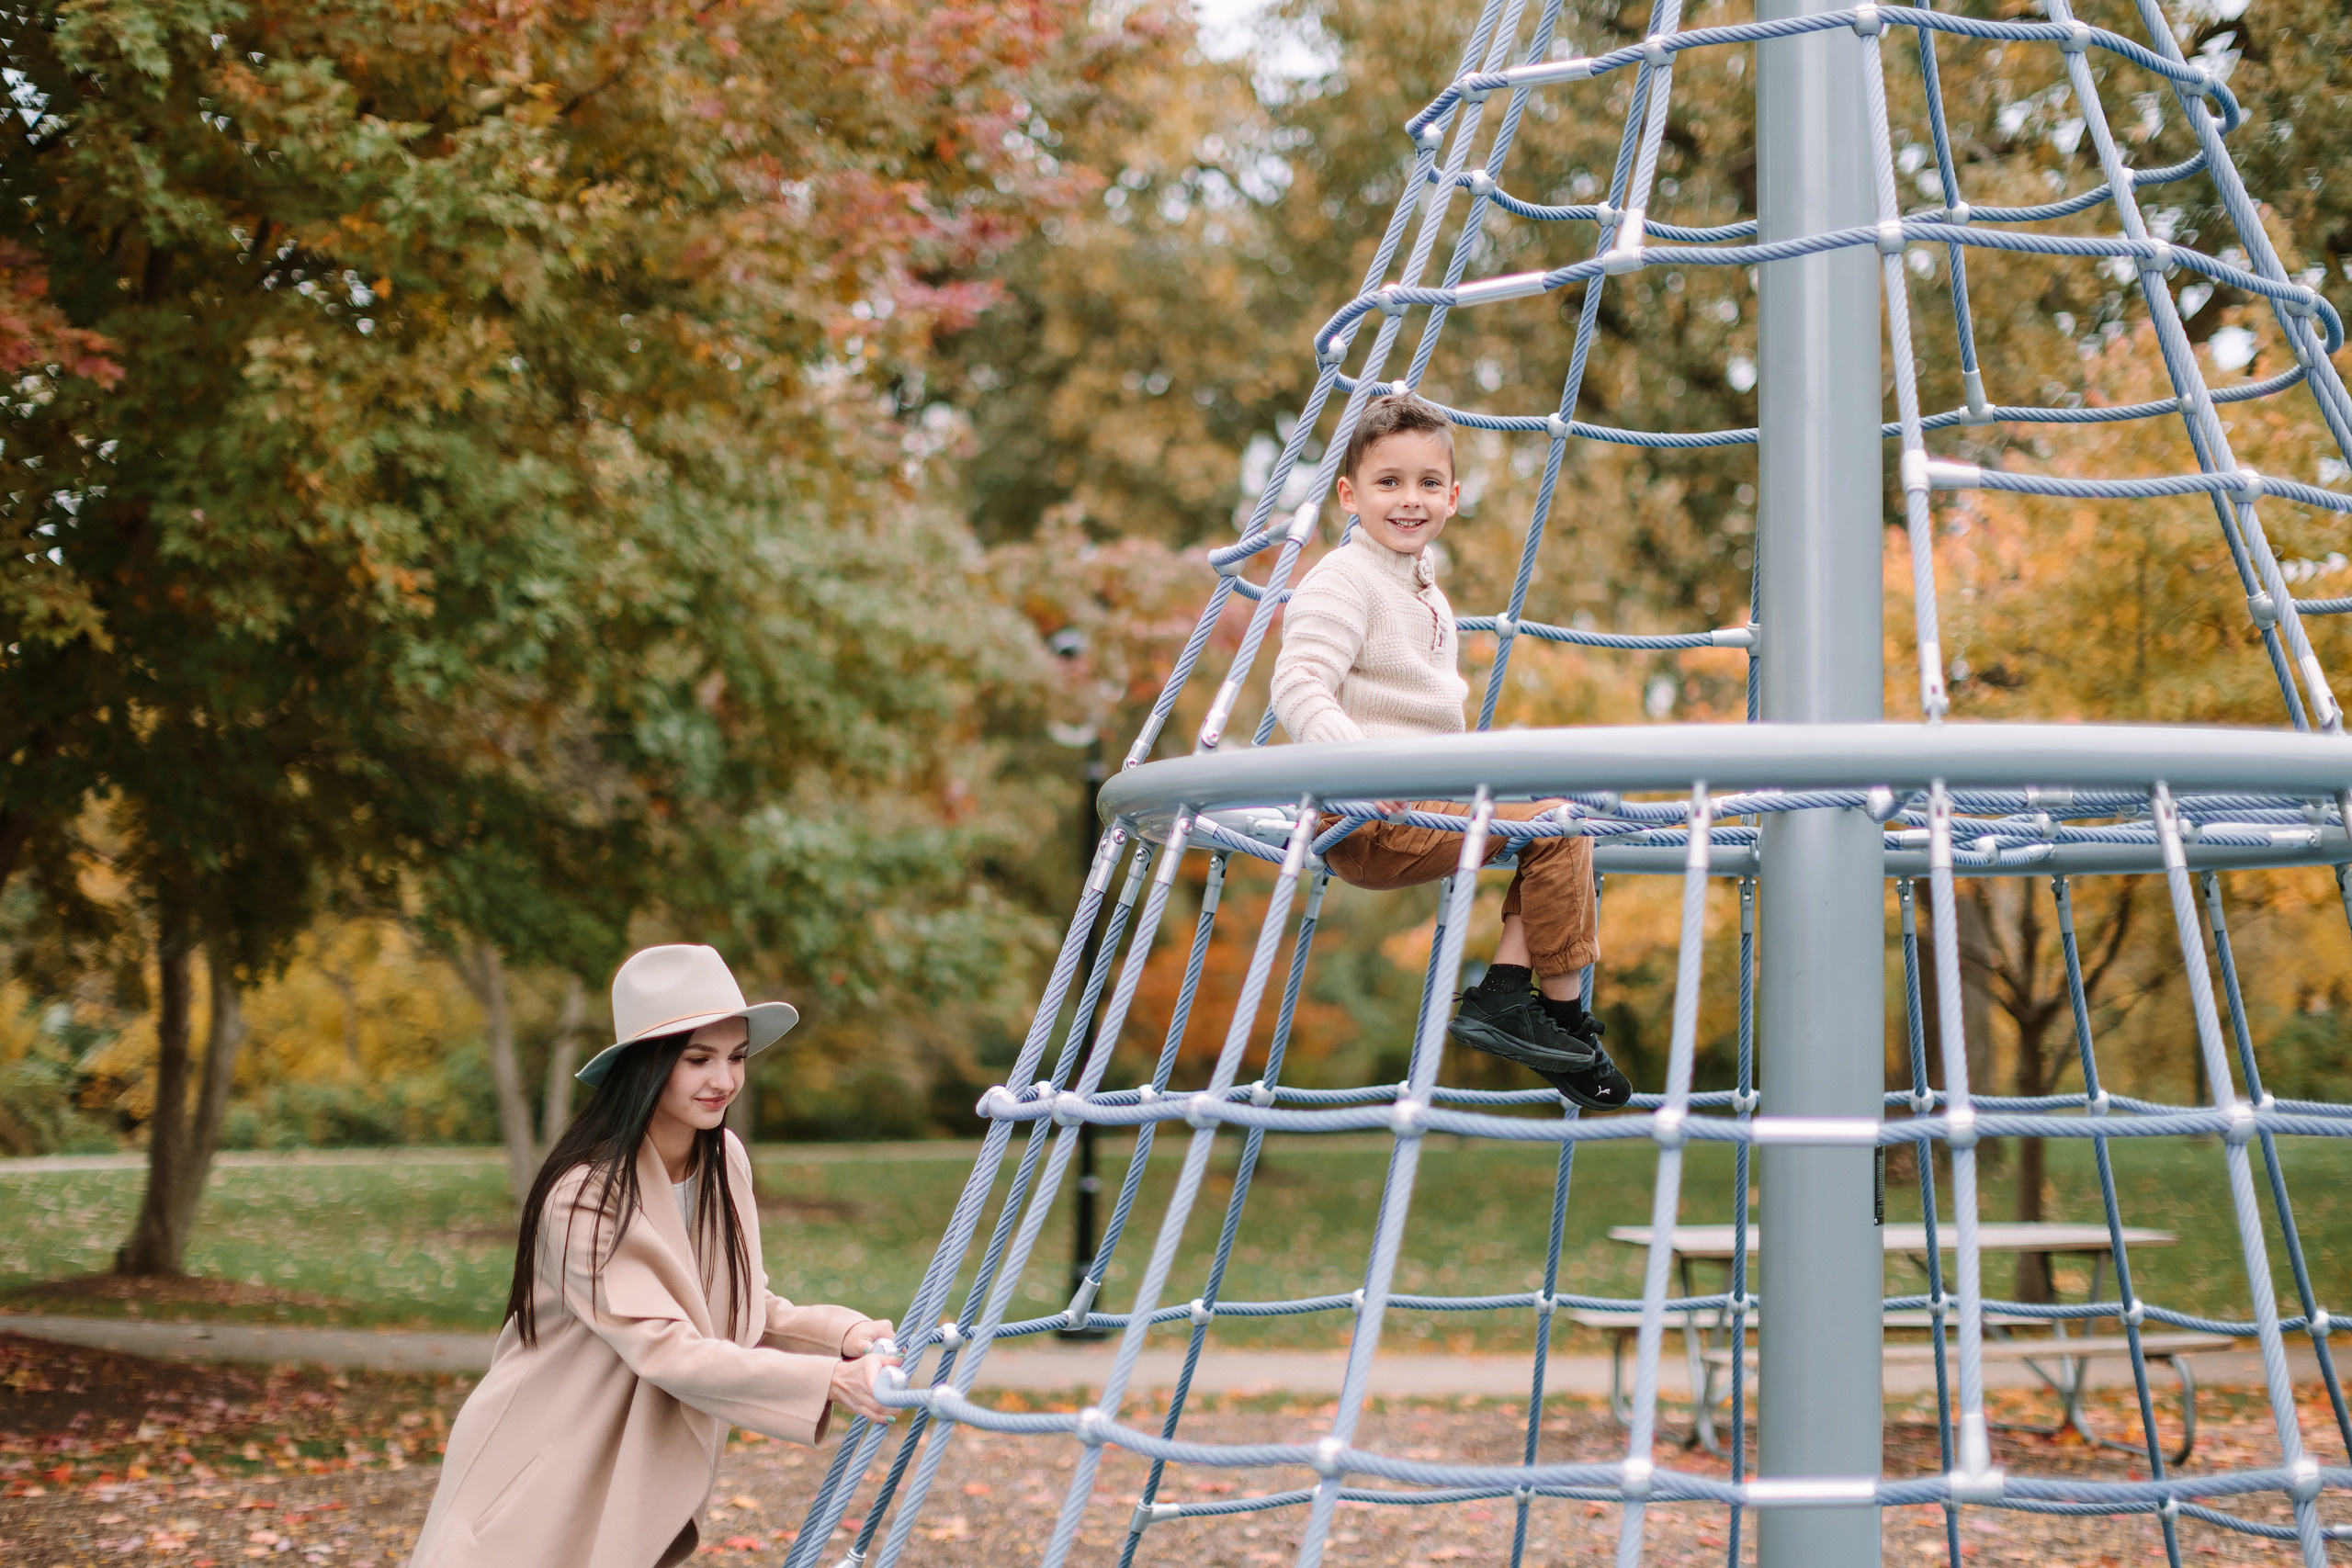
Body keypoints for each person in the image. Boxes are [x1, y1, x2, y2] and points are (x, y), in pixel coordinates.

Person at [409, 944, 899, 1568]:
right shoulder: (582, 1195)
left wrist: (845, 1336)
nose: (724, 1079)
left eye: (736, 1056)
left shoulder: (725, 1162)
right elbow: (665, 1344)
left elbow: (737, 1308)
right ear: (646, 1064)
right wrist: (829, 1378)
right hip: (540, 1465)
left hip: (625, 1456)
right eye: (699, 1058)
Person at [1269, 392, 1631, 1110]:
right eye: (1388, 482)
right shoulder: (1344, 579)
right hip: (1371, 814)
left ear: (1454, 497)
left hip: (1427, 798)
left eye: (1428, 483)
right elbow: (1299, 680)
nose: (1410, 500)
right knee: (1557, 818)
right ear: (1350, 494)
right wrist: (1360, 772)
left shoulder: (1426, 592)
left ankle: (1514, 997)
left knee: (1567, 812)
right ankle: (1559, 1020)